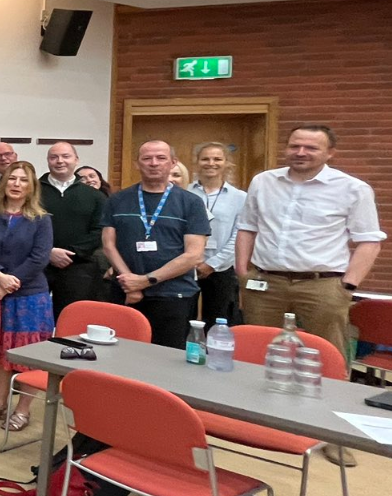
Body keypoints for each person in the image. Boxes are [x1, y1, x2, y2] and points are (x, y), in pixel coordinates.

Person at [237, 124, 383, 363]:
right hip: (265, 283)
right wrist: (243, 272)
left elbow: (369, 241)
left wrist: (347, 285)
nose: (301, 152)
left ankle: (331, 389)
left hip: (322, 285)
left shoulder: (353, 189)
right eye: (294, 146)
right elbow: (247, 228)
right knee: (258, 352)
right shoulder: (263, 182)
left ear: (330, 153)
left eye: (311, 148)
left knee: (326, 355)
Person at [0, 161, 55, 432]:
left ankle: (23, 410)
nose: (17, 184)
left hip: (29, 297)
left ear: (32, 187)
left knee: (28, 356)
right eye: (12, 179)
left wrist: (7, 284)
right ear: (3, 183)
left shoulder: (41, 219)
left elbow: (39, 258)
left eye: (23, 180)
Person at [101, 139, 209, 349]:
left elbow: (193, 255)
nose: (153, 163)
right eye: (147, 158)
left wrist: (145, 281)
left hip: (173, 295)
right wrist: (129, 282)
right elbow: (108, 245)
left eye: (161, 158)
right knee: (121, 354)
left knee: (166, 357)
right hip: (126, 292)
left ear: (173, 163)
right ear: (137, 163)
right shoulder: (118, 200)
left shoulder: (191, 202)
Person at [40, 141, 106, 317]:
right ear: (48, 161)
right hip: (38, 267)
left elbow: (99, 230)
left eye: (66, 156)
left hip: (79, 269)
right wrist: (48, 252)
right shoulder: (32, 192)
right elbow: (23, 227)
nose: (60, 161)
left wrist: (71, 254)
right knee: (35, 322)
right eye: (54, 157)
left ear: (76, 160)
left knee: (72, 320)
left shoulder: (95, 196)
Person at [189, 141, 246, 326]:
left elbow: (238, 235)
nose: (211, 163)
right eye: (205, 159)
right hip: (186, 266)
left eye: (217, 159)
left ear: (227, 163)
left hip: (221, 268)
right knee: (185, 319)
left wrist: (212, 264)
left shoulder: (240, 197)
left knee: (219, 322)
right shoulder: (184, 193)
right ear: (197, 162)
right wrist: (191, 261)